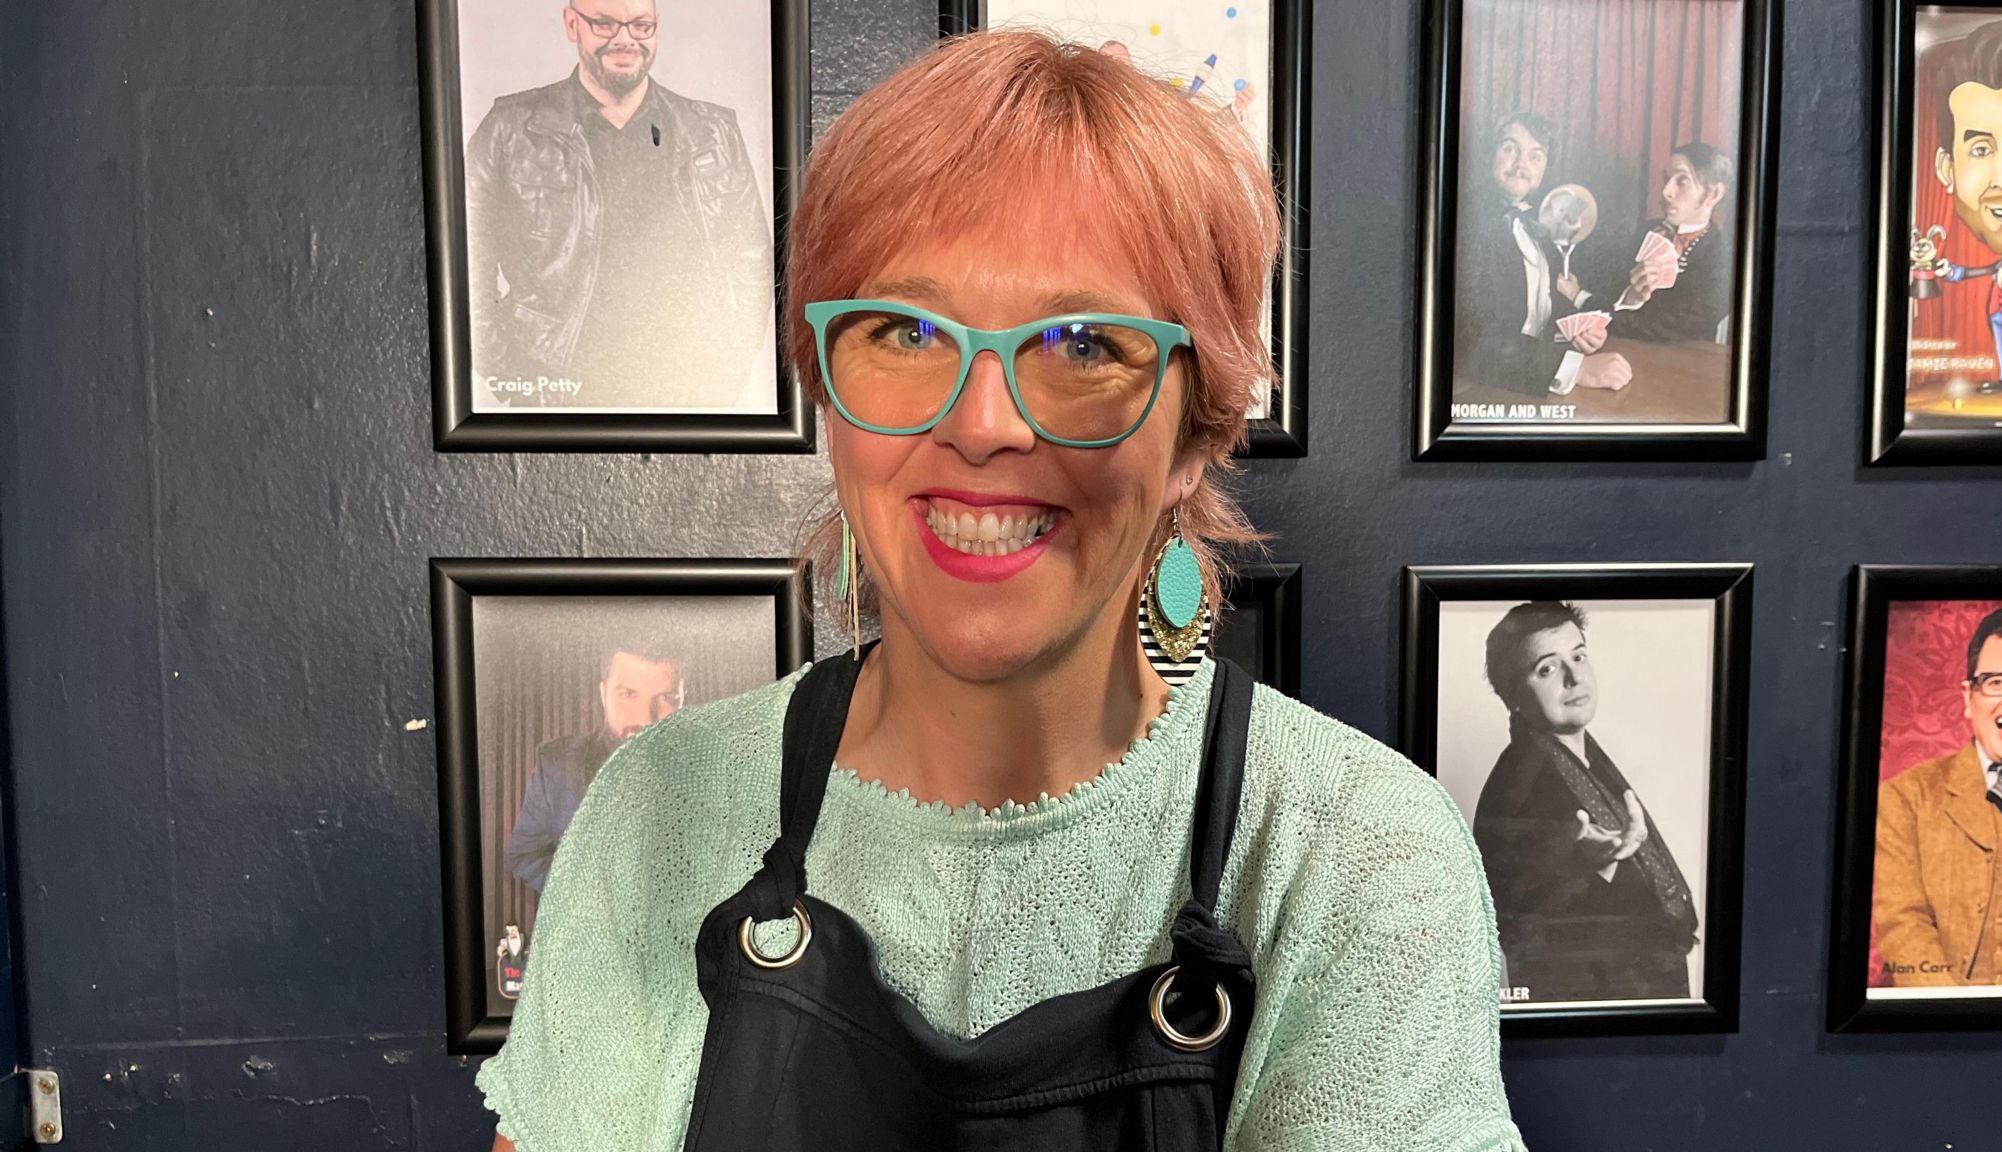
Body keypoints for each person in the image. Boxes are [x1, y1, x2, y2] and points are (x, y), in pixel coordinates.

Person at [477, 31, 1524, 1152]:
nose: (983, 425)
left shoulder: (1352, 851)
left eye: (1082, 342)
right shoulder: (657, 812)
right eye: (905, 331)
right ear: (824, 396)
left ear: (1194, 434)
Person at [463, 0, 773, 409]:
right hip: (558, 395)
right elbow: (464, 263)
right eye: (605, 24)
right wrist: (510, 374)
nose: (625, 39)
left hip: (687, 393)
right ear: (572, 24)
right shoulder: (510, 129)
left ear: (657, 27)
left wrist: (728, 364)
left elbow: (753, 257)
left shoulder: (712, 132)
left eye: (641, 26)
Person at [1471, 602, 1700, 1003]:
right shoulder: (1517, 782)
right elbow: (1513, 916)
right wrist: (1587, 861)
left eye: (1578, 656)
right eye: (1547, 668)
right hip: (1600, 1012)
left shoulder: (1584, 760)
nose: (1575, 677)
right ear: (1514, 696)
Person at [1873, 608, 2002, 986]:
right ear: (1969, 698)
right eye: (1996, 682)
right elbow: (1904, 926)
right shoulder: (1905, 798)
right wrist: (1952, 1010)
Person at [1454, 111, 1631, 398]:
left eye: (1536, 156)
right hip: (1479, 386)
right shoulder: (1464, 219)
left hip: (1529, 376)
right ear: (1490, 153)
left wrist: (1580, 332)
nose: (1521, 164)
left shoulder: (1541, 219)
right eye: (1509, 148)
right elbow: (1470, 338)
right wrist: (1575, 367)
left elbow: (1537, 307)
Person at [1922, 19, 2002, 404]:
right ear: (1947, 170)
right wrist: (1950, 271)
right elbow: (1974, 272)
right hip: (2000, 316)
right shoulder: (2001, 267)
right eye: (1980, 150)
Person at [503, 644, 683, 894]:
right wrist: (581, 900)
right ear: (603, 694)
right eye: (629, 694)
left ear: (684, 696)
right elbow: (525, 855)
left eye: (666, 698)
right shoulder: (558, 764)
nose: (646, 719)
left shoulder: (721, 770)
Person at [1605, 143, 1737, 344]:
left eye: (1682, 181)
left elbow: (1677, 330)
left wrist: (1607, 320)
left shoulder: (1725, 259)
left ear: (1714, 194)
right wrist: (1629, 299)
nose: (1666, 191)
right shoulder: (1644, 232)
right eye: (1667, 179)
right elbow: (1606, 290)